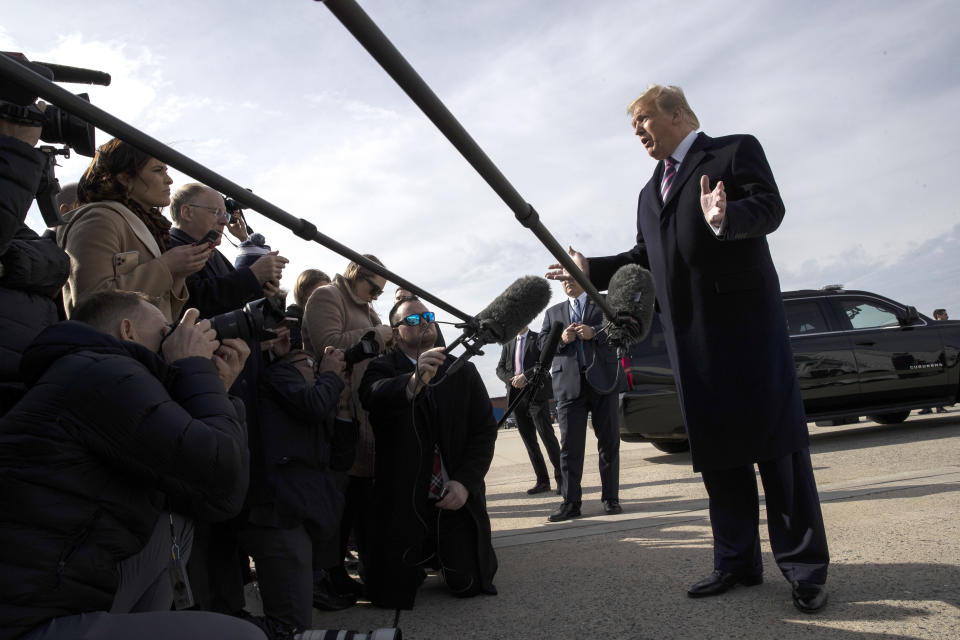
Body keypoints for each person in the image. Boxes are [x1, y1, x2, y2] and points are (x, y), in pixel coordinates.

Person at [548, 84, 829, 613]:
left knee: (777, 452)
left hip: (747, 332)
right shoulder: (648, 190)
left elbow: (769, 207)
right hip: (689, 341)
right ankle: (735, 563)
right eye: (632, 124)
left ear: (676, 114)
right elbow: (642, 255)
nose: (637, 131)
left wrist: (726, 219)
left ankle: (805, 568)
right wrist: (592, 272)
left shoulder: (732, 151)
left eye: (644, 119)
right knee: (720, 455)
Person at [0, 289, 263, 640]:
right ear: (127, 331)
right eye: (166, 330)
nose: (175, 338)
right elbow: (222, 474)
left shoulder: (96, 372)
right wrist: (195, 368)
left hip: (49, 594)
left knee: (178, 520)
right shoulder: (103, 372)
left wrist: (215, 386)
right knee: (244, 637)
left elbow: (216, 499)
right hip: (25, 616)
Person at [358, 297, 498, 608]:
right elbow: (372, 395)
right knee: (392, 593)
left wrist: (465, 482)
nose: (424, 321)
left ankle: (446, 554)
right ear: (396, 334)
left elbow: (485, 431)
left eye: (428, 315)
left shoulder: (463, 370)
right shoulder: (382, 368)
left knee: (469, 584)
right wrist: (412, 381)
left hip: (454, 497)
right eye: (413, 319)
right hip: (404, 503)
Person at [237, 335, 358, 638]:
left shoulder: (311, 401)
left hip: (301, 517)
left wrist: (343, 406)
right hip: (279, 517)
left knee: (295, 619)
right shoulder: (278, 376)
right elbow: (313, 405)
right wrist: (330, 374)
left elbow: (340, 460)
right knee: (290, 623)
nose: (316, 370)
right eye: (310, 364)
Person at [301, 256, 393, 598]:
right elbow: (330, 346)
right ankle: (326, 574)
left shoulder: (367, 309)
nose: (375, 296)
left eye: (380, 293)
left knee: (355, 500)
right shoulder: (327, 296)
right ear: (356, 273)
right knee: (335, 500)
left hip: (362, 414)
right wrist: (378, 334)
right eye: (373, 288)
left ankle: (345, 571)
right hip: (337, 413)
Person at [57, 138, 211, 321]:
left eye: (166, 171)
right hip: (113, 347)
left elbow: (161, 311)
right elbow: (89, 301)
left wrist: (178, 275)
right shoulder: (98, 219)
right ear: (124, 178)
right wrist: (167, 266)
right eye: (157, 170)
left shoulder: (149, 226)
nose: (169, 180)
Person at [540, 254, 623, 521]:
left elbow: (621, 331)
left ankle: (611, 498)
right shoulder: (553, 314)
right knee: (570, 448)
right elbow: (542, 347)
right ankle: (570, 502)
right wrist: (561, 339)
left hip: (603, 382)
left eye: (572, 278)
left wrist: (594, 333)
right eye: (563, 281)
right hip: (568, 387)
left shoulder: (605, 302)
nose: (567, 283)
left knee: (608, 444)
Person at [0, 102, 70, 415]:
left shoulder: (17, 230)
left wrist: (8, 263)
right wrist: (15, 147)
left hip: (24, 384)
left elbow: (58, 264)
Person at [168, 183, 288, 319]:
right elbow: (190, 301)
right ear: (187, 212)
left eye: (225, 214)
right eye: (216, 212)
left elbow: (233, 305)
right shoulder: (169, 247)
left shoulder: (214, 253)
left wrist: (266, 294)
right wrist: (253, 275)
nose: (225, 221)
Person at [496, 325, 562, 495]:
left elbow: (545, 363)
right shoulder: (508, 343)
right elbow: (500, 368)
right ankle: (542, 481)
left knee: (547, 437)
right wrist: (512, 380)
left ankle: (563, 479)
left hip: (536, 393)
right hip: (516, 397)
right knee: (530, 442)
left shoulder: (538, 338)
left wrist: (525, 377)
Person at [287, 269, 331, 350]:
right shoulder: (291, 319)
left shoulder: (330, 319)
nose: (326, 297)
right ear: (303, 293)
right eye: (320, 293)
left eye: (328, 293)